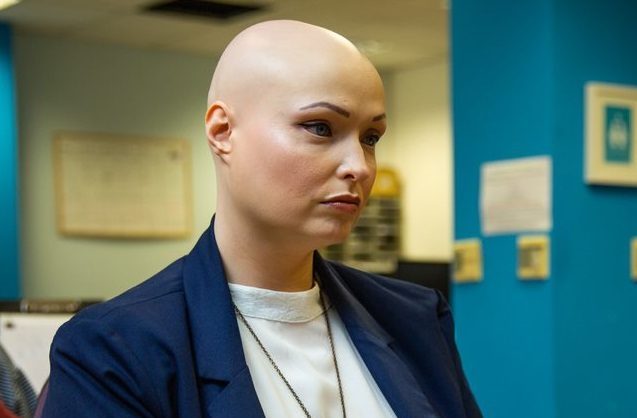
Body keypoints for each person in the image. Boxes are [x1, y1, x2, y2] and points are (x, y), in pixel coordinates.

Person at [41, 20, 482, 418]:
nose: (361, 167)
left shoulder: (414, 319)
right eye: (321, 128)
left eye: (371, 137)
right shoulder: (115, 349)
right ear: (222, 133)